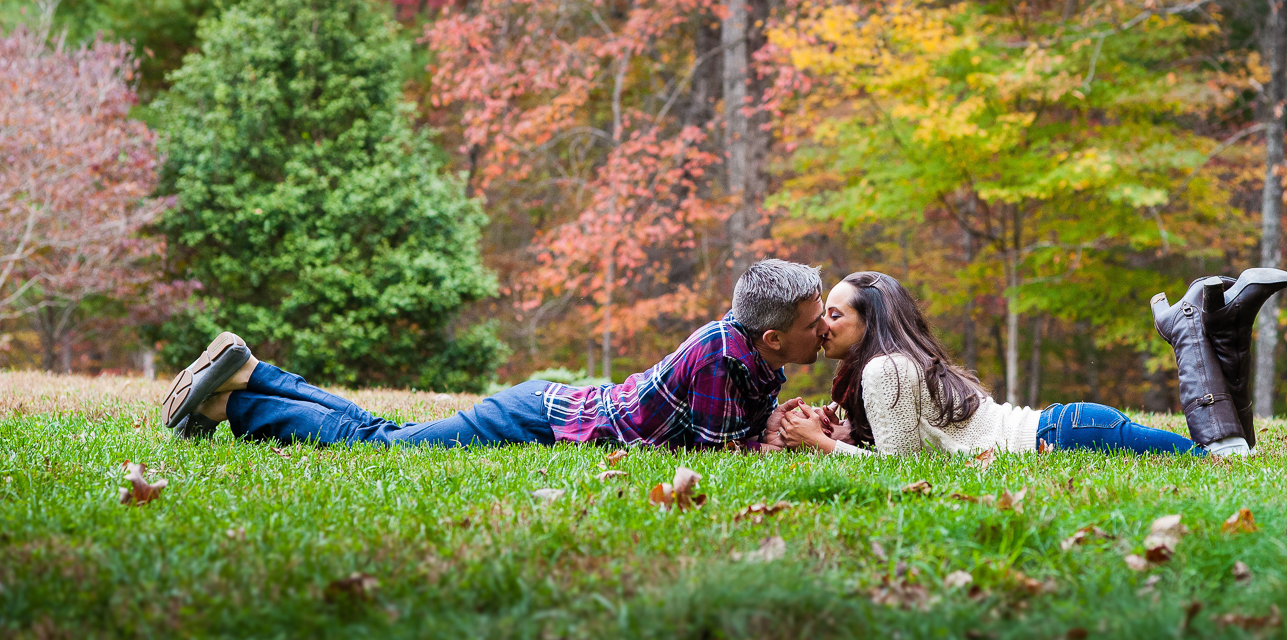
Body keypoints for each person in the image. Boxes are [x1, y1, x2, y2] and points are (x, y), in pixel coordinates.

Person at [161, 259, 827, 450]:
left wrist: (777, 423)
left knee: (383, 434)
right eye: (814, 320)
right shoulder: (718, 353)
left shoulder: (753, 355)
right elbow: (718, 456)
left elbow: (738, 429)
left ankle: (243, 383)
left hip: (557, 408)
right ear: (771, 337)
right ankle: (244, 392)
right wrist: (781, 442)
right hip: (537, 417)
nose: (824, 327)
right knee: (384, 444)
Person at [778, 269, 1287, 459]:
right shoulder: (889, 365)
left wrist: (821, 444)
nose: (823, 325)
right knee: (1231, 453)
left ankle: (1191, 329)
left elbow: (901, 470)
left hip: (1073, 434)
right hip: (1072, 426)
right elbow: (912, 443)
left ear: (873, 322)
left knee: (1220, 459)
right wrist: (843, 435)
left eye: (834, 313)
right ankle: (1227, 321)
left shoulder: (882, 368)